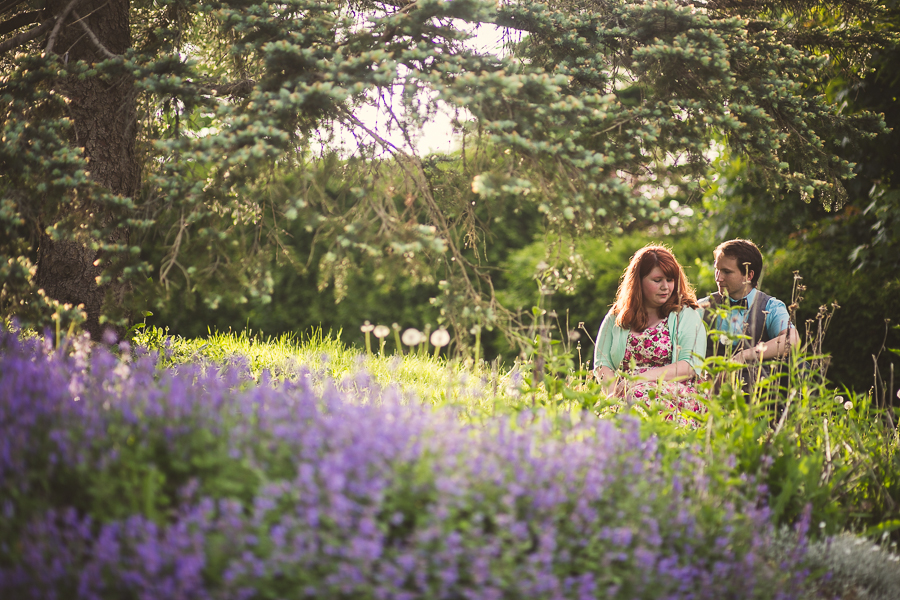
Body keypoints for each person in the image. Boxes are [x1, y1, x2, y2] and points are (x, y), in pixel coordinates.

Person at [593, 245, 707, 424]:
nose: (665, 287)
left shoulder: (686, 314)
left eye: (670, 280)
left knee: (640, 401)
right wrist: (613, 392)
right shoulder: (617, 316)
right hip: (626, 394)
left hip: (675, 394)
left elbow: (689, 366)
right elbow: (602, 363)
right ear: (638, 281)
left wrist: (638, 380)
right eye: (657, 280)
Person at [699, 239, 799, 367]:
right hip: (713, 384)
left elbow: (792, 340)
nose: (718, 278)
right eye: (717, 270)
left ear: (749, 275)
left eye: (727, 272)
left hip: (758, 385)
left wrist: (746, 355)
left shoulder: (771, 307)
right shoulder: (703, 307)